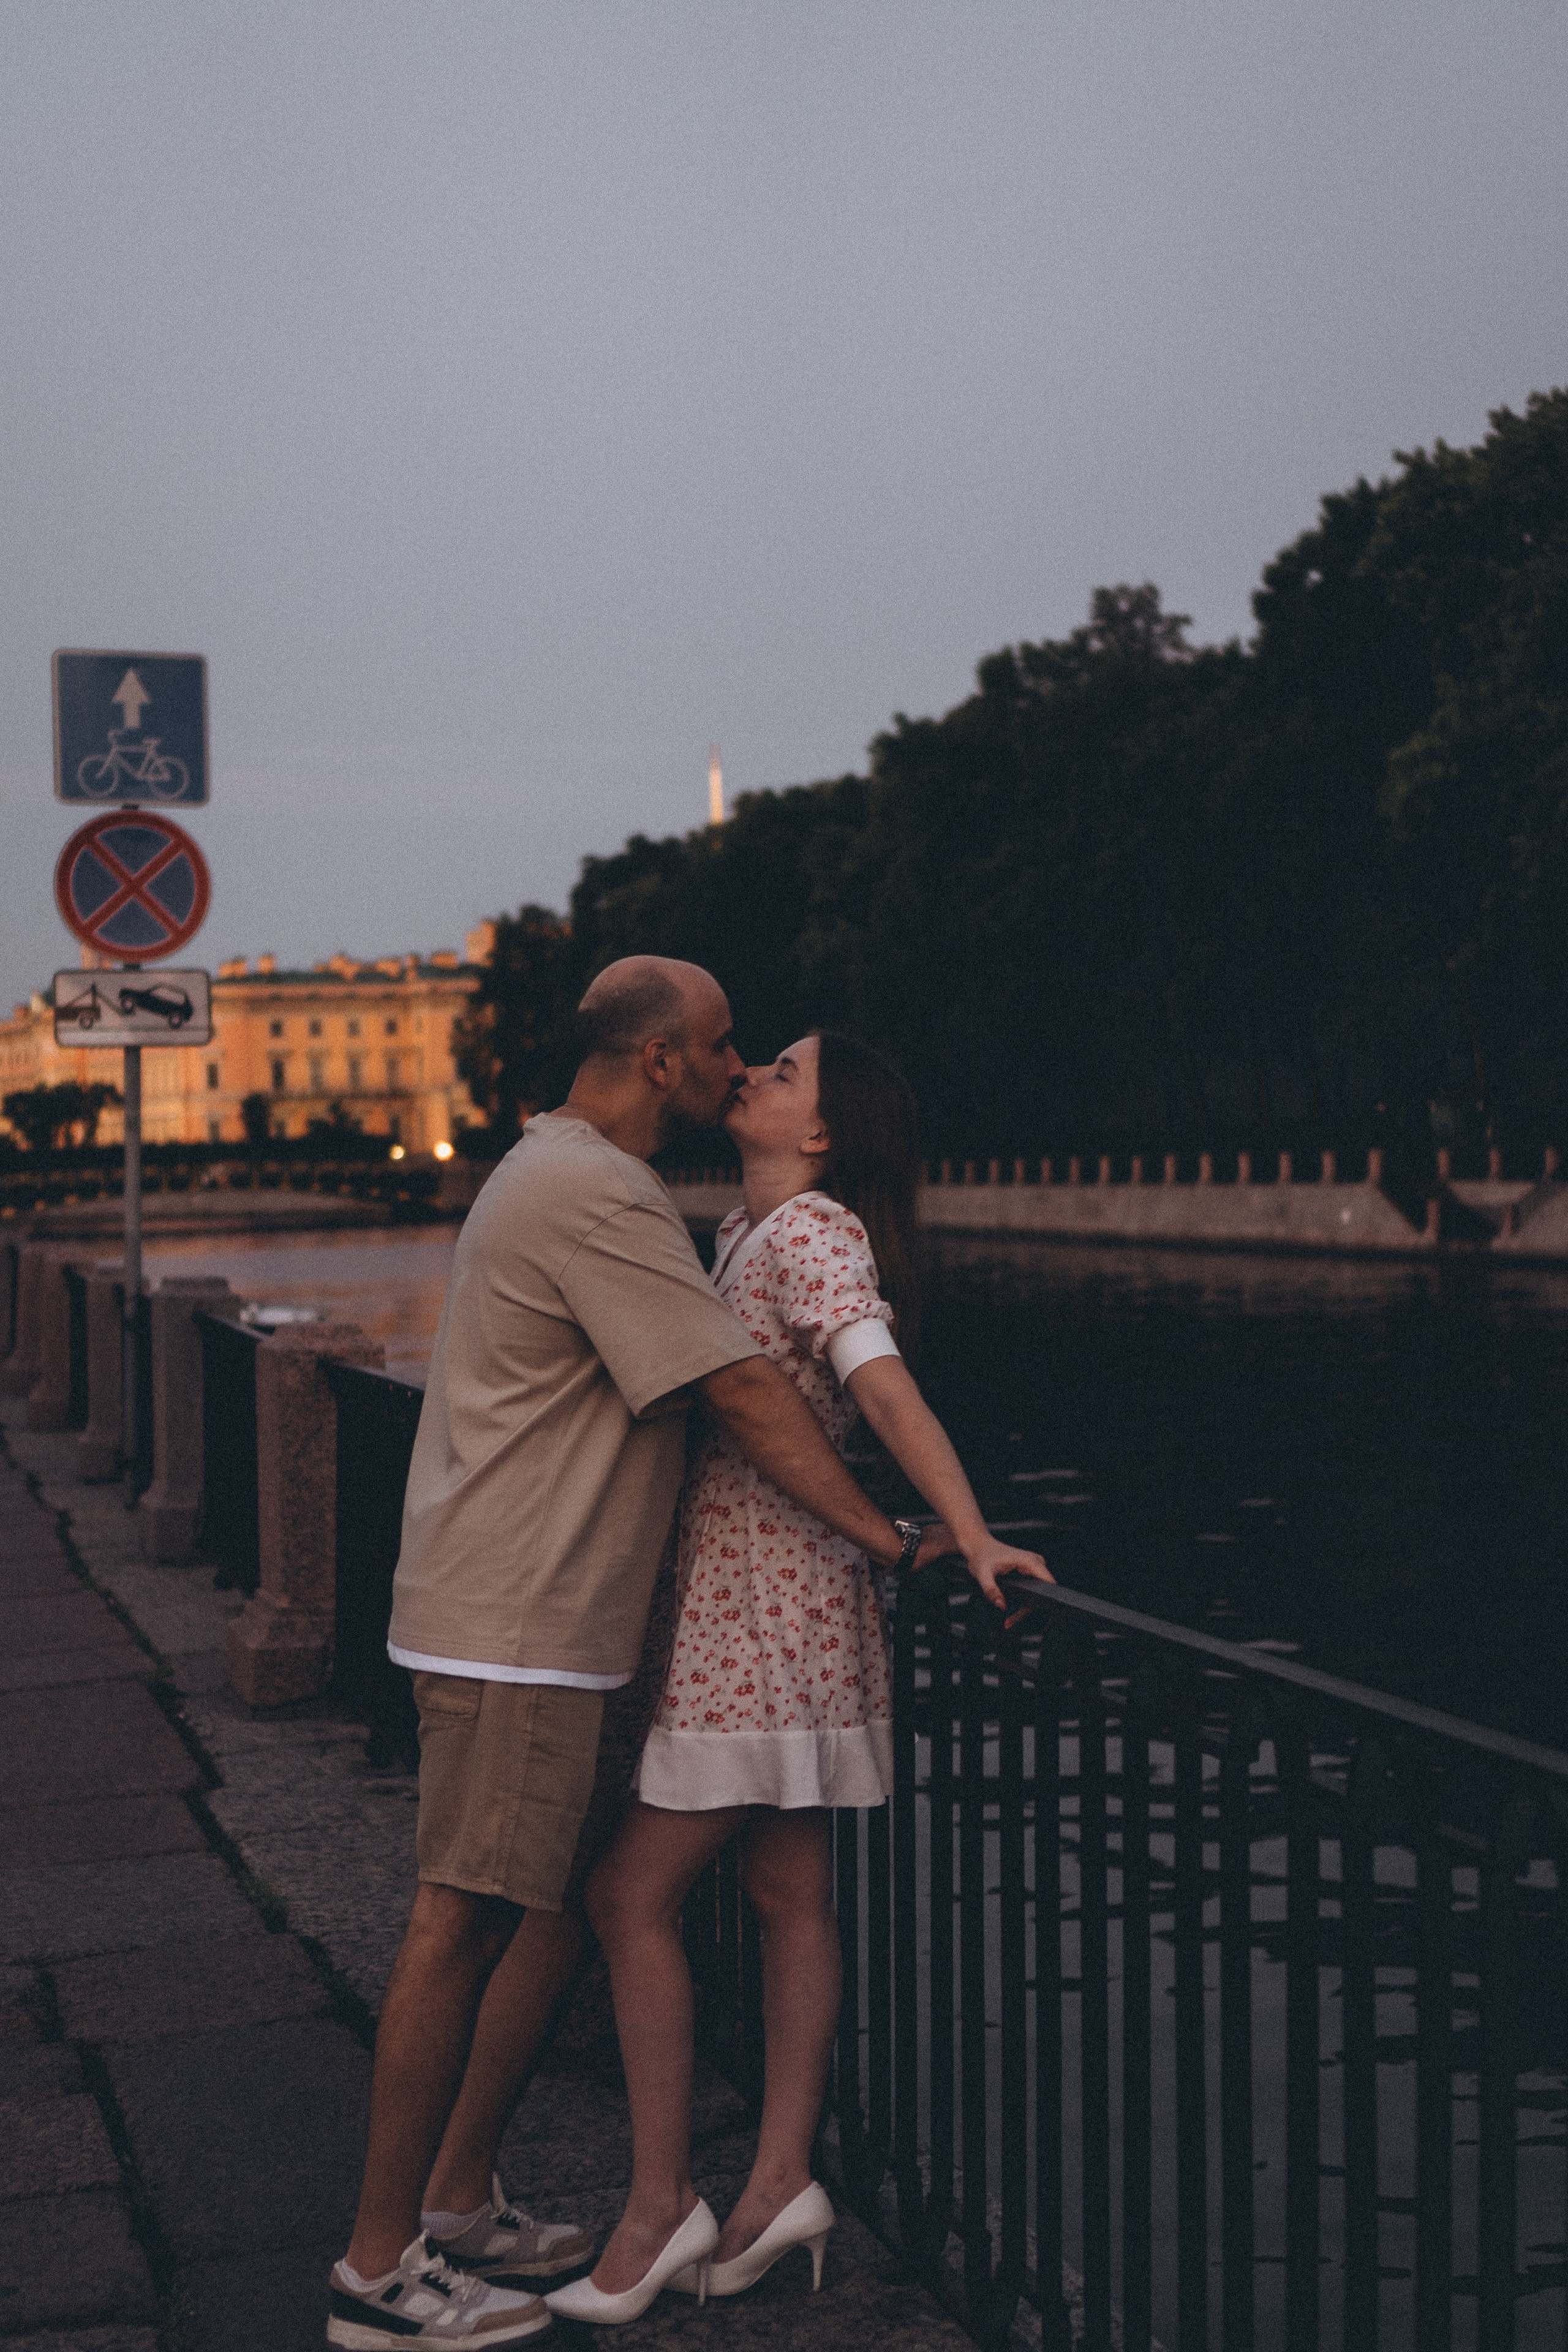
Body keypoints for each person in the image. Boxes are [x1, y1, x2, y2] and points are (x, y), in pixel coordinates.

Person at [329, 965, 956, 2348]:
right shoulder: (602, 1195)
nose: (738, 1068)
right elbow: (739, 1388)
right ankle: (376, 2275)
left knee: (563, 1904)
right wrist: (896, 1538)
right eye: (725, 1048)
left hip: (559, 1616)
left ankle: (458, 2198)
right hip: (520, 1622)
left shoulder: (576, 1175)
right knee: (462, 1919)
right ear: (664, 1060)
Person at [546, 1031, 1052, 2326]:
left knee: (625, 1895)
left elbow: (881, 1388)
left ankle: (660, 2207)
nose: (755, 1073)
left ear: (822, 1135)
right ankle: (778, 2184)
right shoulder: (743, 1232)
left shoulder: (814, 1232)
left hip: (763, 1617)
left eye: (783, 1070)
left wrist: (970, 1531)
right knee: (786, 1895)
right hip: (771, 1604)